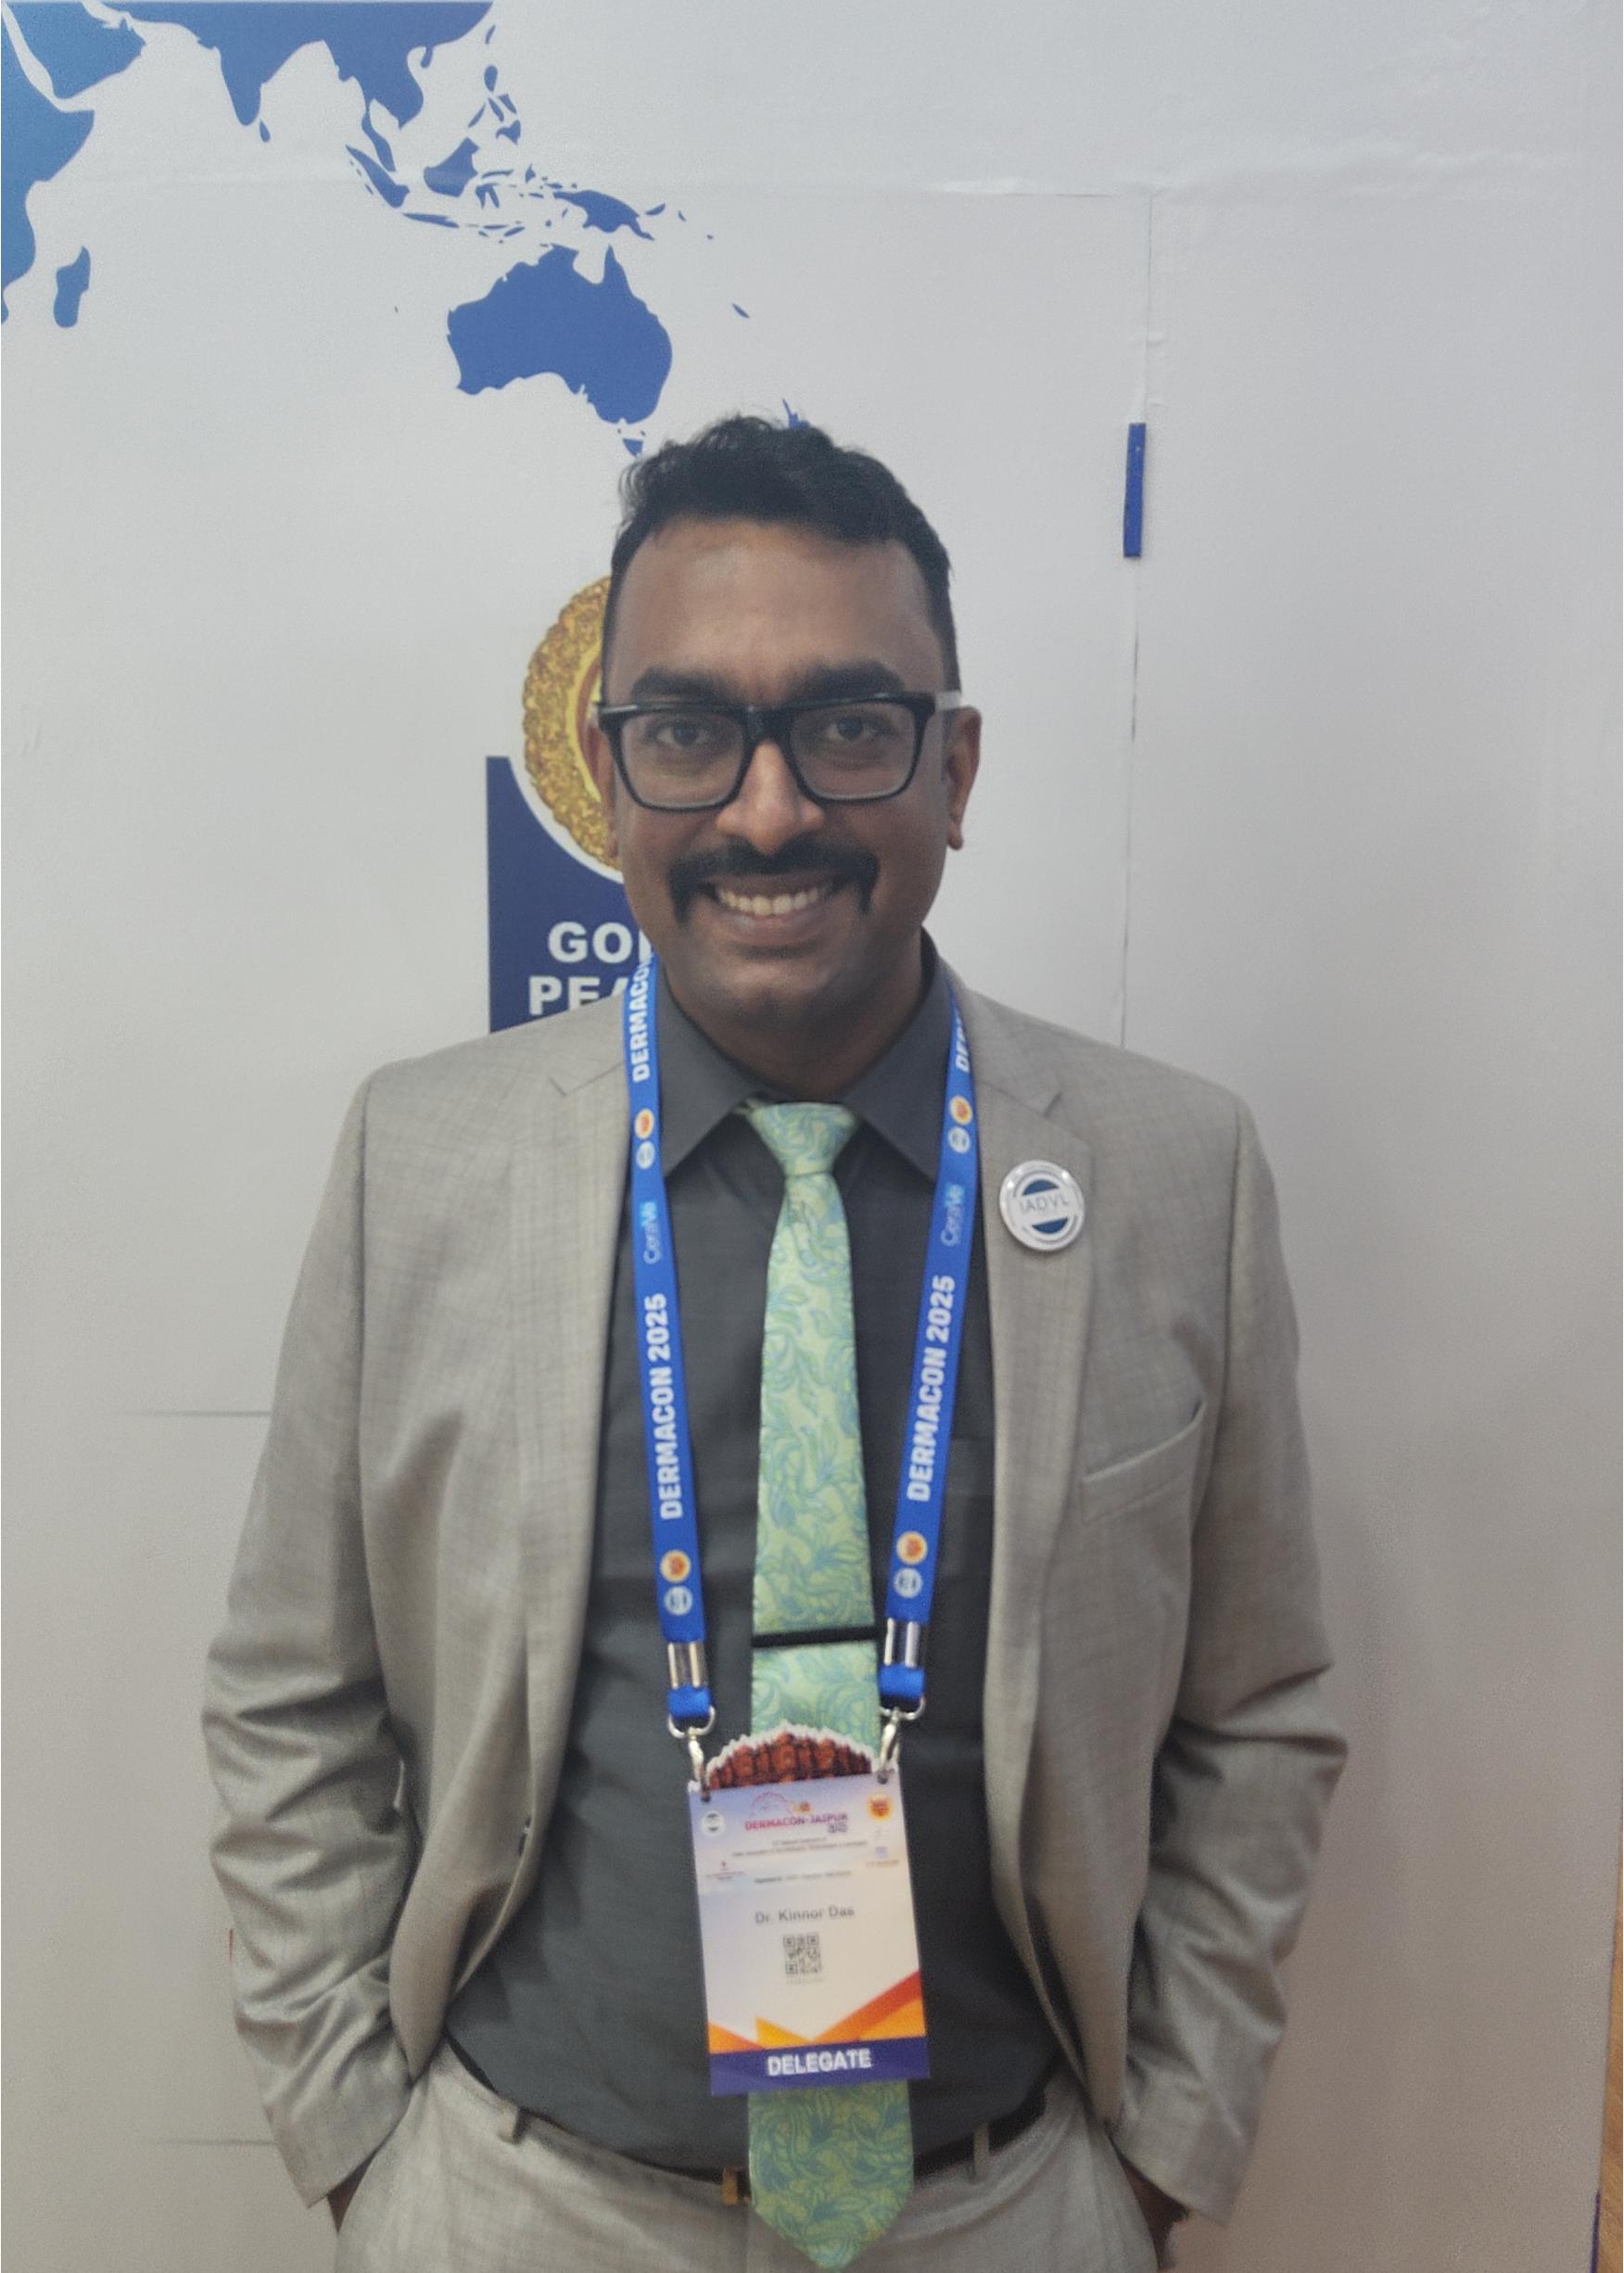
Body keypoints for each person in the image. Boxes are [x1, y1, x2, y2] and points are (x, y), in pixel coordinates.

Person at [204, 415, 1345, 2271]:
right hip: (526, 2203)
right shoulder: (419, 1160)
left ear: (954, 767)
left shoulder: (1169, 1175)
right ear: (605, 774)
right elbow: (289, 1691)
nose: (764, 811)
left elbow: (1257, 1708)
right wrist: (357, 2146)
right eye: (688, 731)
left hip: (1005, 2206)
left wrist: (1156, 2160)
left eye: (846, 724)